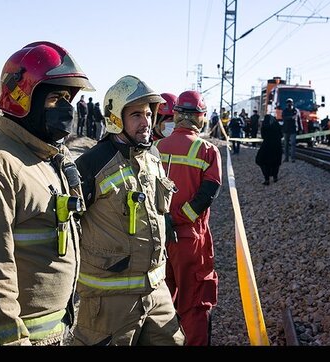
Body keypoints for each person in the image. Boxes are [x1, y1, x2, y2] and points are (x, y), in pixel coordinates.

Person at [0, 41, 94, 346]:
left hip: (50, 334)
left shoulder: (47, 157)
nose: (67, 108)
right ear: (23, 97)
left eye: (69, 98)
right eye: (55, 97)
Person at [72, 75, 185, 346]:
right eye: (136, 114)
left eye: (148, 113)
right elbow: (67, 228)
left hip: (157, 294)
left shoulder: (154, 158)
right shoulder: (91, 163)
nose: (146, 121)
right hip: (109, 302)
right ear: (115, 118)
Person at [155, 90, 222, 346]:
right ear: (200, 117)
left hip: (159, 234)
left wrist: (166, 219)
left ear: (177, 115)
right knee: (194, 302)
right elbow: (208, 193)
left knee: (162, 299)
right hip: (189, 238)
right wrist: (182, 218)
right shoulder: (206, 150)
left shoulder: (157, 147)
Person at [255, 114, 283, 185]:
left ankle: (266, 179)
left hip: (267, 146)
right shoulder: (277, 125)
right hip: (277, 146)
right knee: (276, 163)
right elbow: (281, 135)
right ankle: (275, 176)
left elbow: (263, 136)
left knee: (262, 161)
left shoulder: (265, 125)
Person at [282, 98, 302, 162]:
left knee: (293, 143)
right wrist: (291, 117)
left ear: (292, 103)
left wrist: (301, 128)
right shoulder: (284, 111)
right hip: (286, 129)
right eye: (288, 102)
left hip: (293, 129)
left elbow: (299, 120)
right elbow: (284, 118)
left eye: (290, 102)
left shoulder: (296, 111)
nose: (289, 103)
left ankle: (293, 158)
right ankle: (286, 158)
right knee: (286, 144)